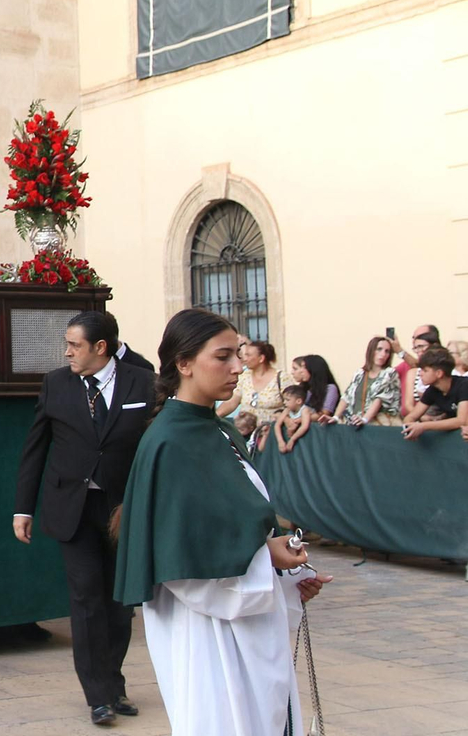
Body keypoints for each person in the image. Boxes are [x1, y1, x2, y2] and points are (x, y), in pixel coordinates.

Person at [115, 308, 330, 735]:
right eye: (223, 356)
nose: (237, 367)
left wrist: (287, 577)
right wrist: (267, 559)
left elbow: (240, 523)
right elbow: (180, 563)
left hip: (248, 625)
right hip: (204, 632)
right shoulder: (170, 442)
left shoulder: (220, 430)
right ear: (184, 363)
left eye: (238, 354)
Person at [13, 310, 156, 725]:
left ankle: (114, 682)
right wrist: (23, 507)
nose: (67, 352)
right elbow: (36, 448)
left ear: (101, 347)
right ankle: (98, 695)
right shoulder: (56, 383)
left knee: (120, 602)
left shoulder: (141, 381)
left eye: (75, 345)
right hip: (71, 509)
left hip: (122, 509)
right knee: (86, 598)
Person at [214, 338, 286, 427]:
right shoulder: (244, 376)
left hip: (271, 431)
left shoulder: (281, 378)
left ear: (261, 358)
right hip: (245, 430)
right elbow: (232, 402)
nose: (245, 359)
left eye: (248, 355)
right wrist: (214, 417)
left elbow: (292, 403)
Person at [402, 347, 468, 439]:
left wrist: (424, 426)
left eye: (425, 370)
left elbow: (462, 420)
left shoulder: (464, 385)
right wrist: (410, 426)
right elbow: (411, 416)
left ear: (439, 373)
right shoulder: (432, 390)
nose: (420, 374)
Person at [342, 336, 402, 426]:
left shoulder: (389, 373)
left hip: (378, 425)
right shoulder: (359, 373)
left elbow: (380, 399)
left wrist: (364, 419)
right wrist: (335, 417)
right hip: (355, 422)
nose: (383, 354)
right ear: (371, 350)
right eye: (379, 349)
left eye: (387, 351)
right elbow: (346, 397)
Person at [289, 354, 340, 423]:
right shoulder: (303, 387)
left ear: (313, 369)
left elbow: (324, 413)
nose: (301, 371)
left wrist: (299, 420)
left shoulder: (330, 388)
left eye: (304, 367)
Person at [274, 385, 313, 453]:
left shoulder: (304, 410)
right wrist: (280, 441)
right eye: (284, 400)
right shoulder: (287, 410)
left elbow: (304, 426)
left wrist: (293, 439)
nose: (284, 402)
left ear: (298, 401)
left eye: (287, 400)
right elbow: (277, 425)